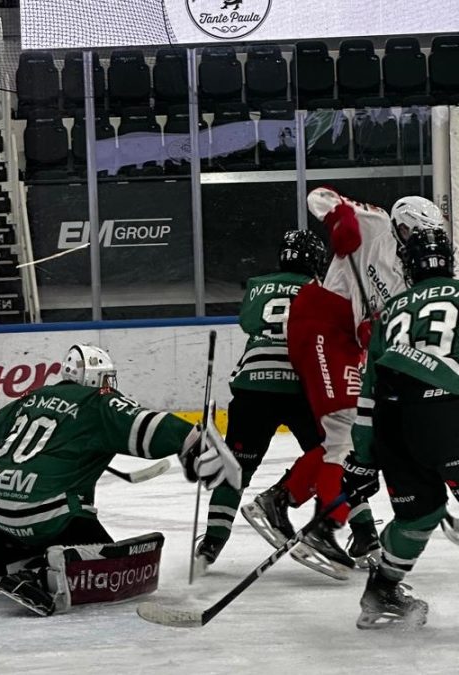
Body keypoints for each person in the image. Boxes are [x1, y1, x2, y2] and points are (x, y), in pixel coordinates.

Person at [0, 344, 240, 615]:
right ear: (94, 379)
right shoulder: (99, 402)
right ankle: (47, 572)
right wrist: (193, 441)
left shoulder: (29, 399)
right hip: (45, 514)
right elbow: (147, 424)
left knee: (19, 529)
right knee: (87, 530)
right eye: (105, 378)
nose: (109, 385)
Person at [247, 188, 443, 579]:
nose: (412, 246)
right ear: (400, 225)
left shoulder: (409, 279)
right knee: (344, 431)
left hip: (345, 341)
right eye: (411, 236)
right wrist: (340, 220)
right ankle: (323, 523)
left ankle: (282, 498)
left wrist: (375, 332)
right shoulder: (375, 223)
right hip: (319, 319)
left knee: (350, 433)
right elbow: (318, 196)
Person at [343, 224, 458, 629]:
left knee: (419, 515)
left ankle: (381, 592)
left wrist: (361, 457)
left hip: (393, 423)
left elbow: (368, 392)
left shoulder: (389, 310)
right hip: (446, 413)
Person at [196, 229, 330, 571]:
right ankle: (354, 535)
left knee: (236, 468)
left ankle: (210, 545)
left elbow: (248, 322)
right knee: (333, 455)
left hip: (253, 385)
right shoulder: (322, 289)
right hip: (301, 387)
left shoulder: (257, 285)